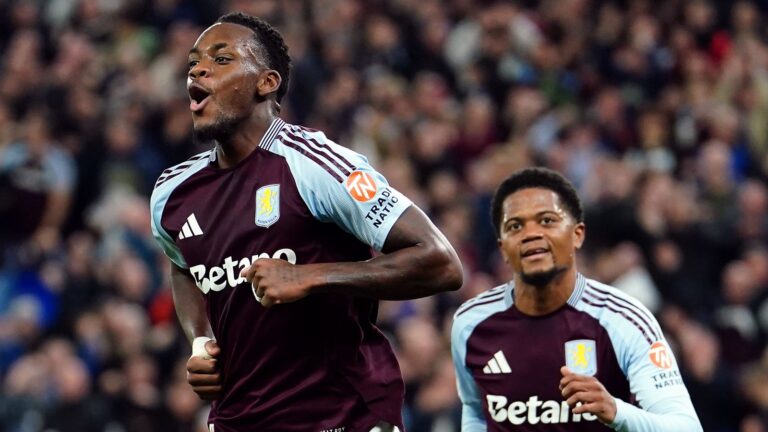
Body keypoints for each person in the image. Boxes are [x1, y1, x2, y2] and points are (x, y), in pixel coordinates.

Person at [149, 12, 463, 432]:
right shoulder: (172, 192)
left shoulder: (315, 164)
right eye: (193, 63)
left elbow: (441, 262)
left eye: (221, 60)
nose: (199, 69)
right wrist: (201, 342)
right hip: (238, 420)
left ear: (267, 82)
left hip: (343, 415)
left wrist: (312, 276)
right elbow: (183, 265)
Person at [451, 167, 702, 431]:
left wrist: (616, 411)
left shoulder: (623, 320)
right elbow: (476, 411)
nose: (531, 234)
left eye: (547, 220)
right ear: (503, 248)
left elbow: (686, 427)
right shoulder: (471, 324)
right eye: (515, 226)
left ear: (577, 235)